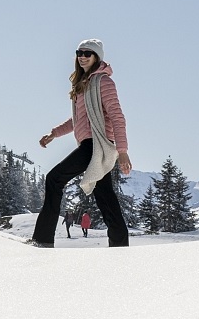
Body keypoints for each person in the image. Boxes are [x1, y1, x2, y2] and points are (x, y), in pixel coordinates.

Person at [31, 39, 133, 248]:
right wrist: (54, 134)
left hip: (96, 145)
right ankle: (120, 246)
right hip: (88, 144)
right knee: (105, 197)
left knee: (54, 179)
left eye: (88, 53)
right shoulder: (83, 85)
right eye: (79, 53)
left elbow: (117, 116)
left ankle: (42, 239)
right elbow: (77, 120)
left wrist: (122, 151)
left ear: (97, 57)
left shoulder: (103, 82)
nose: (82, 56)